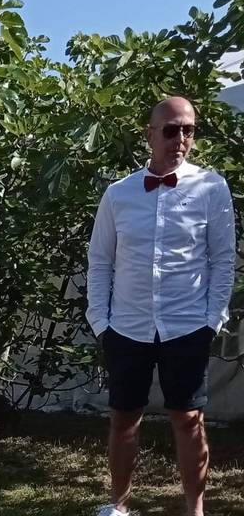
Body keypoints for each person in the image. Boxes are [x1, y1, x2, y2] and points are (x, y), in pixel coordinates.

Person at [86, 96, 236, 516]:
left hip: (187, 325)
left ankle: (195, 510)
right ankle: (118, 506)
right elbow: (100, 260)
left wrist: (212, 318)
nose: (181, 139)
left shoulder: (212, 188)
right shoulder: (119, 194)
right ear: (150, 134)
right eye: (171, 129)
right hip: (127, 326)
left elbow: (223, 259)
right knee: (122, 419)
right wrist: (101, 321)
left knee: (189, 420)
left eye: (188, 130)